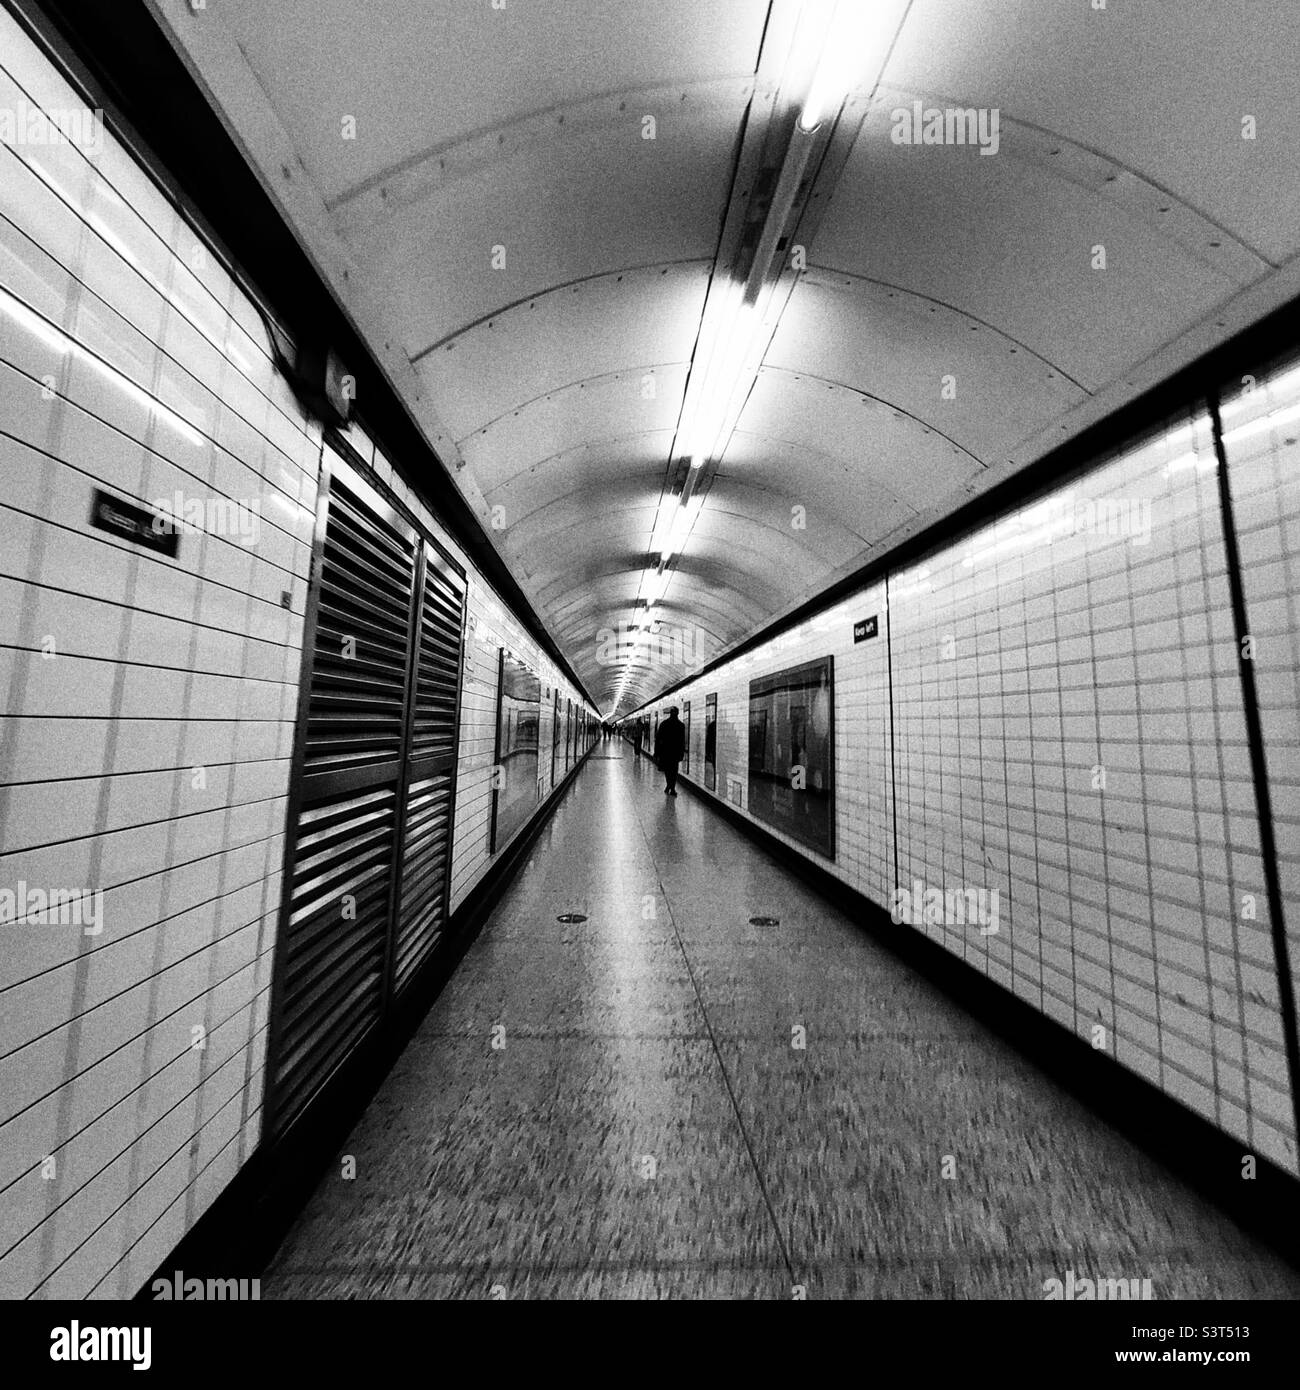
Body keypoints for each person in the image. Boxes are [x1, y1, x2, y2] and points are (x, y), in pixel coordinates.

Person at [654, 706, 686, 796]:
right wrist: (682, 752)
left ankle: (670, 786)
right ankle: (671, 787)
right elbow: (682, 741)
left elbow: (658, 738)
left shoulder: (664, 724)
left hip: (666, 751)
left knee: (668, 770)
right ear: (678, 713)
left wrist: (657, 752)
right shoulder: (681, 725)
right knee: (674, 770)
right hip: (675, 752)